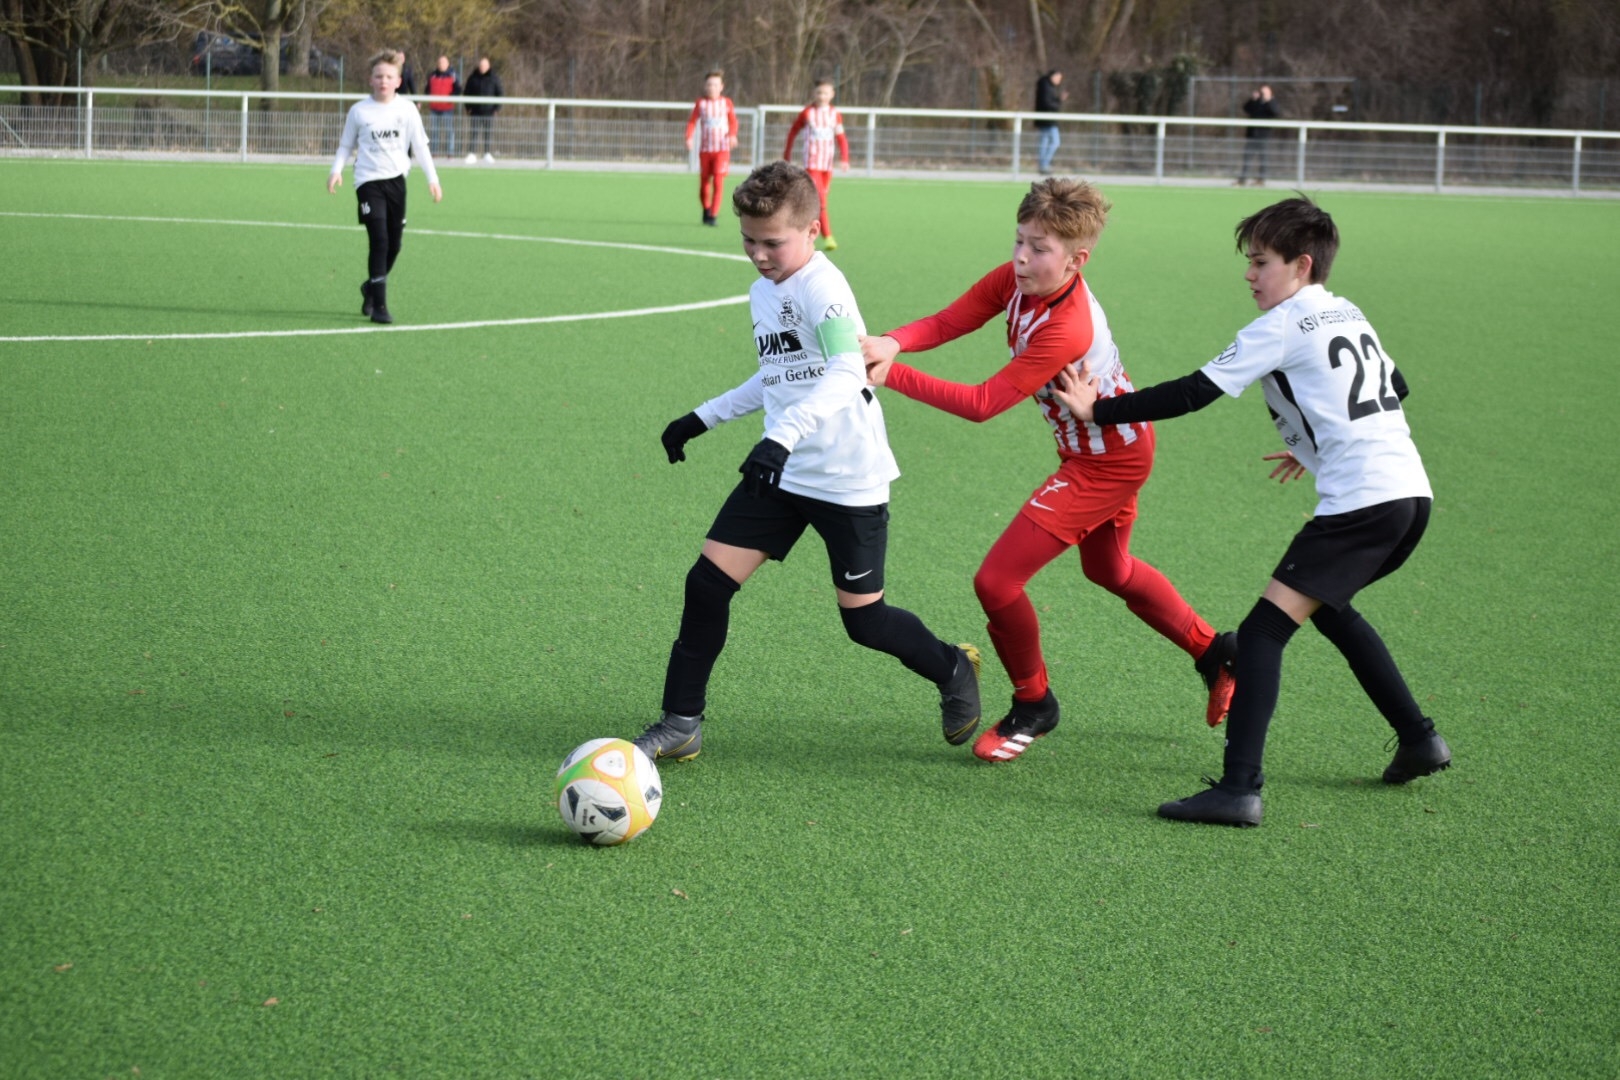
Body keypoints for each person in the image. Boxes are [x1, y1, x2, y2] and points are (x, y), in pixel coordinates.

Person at [1050, 195, 1448, 827]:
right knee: (1331, 610)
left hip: (1362, 504)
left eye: (1261, 262)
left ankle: (1239, 789)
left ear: (1302, 264)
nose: (1249, 274)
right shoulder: (1347, 311)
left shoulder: (1282, 325)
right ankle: (1419, 739)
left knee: (1262, 633)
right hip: (1409, 496)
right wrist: (1315, 442)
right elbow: (1391, 388)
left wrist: (1098, 410)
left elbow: (1192, 393)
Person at [861, 178, 1237, 765]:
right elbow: (952, 319)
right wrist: (893, 341)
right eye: (1019, 240)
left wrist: (891, 373)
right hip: (1103, 449)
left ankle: (1034, 703)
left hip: (1108, 461)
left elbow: (984, 403)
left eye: (1038, 248)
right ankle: (1217, 653)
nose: (1020, 257)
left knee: (996, 583)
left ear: (1076, 260)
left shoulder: (1068, 326)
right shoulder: (1018, 281)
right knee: (1110, 569)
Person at [633, 161, 982, 764]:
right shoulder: (763, 290)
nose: (758, 254)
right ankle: (681, 722)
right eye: (748, 240)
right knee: (706, 586)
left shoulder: (825, 288)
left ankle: (952, 666)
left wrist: (782, 437)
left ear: (812, 231)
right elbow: (778, 375)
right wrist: (703, 417)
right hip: (784, 471)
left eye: (772, 242)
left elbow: (847, 371)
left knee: (865, 622)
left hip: (847, 478)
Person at [327, 49, 442, 325]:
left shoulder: (407, 110)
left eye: (389, 76)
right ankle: (379, 306)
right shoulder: (359, 111)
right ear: (371, 79)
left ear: (398, 81)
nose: (383, 81)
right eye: (378, 76)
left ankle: (370, 287)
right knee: (379, 239)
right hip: (367, 182)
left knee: (394, 245)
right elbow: (346, 145)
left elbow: (420, 147)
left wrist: (433, 179)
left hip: (396, 181)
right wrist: (336, 170)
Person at [782, 80, 850, 252]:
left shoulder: (835, 114)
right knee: (820, 200)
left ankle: (797, 229)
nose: (822, 96)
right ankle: (828, 236)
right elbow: (793, 132)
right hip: (811, 164)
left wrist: (845, 158)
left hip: (827, 165)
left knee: (816, 200)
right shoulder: (807, 113)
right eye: (819, 92)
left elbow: (841, 138)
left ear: (832, 94)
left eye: (825, 93)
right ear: (814, 93)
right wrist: (787, 153)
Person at [684, 70, 738, 226]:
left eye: (715, 85)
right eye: (709, 85)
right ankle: (706, 209)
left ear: (721, 87)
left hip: (722, 150)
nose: (711, 88)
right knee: (704, 185)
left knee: (718, 182)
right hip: (705, 150)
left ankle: (713, 215)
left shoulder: (726, 103)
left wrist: (732, 135)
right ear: (705, 86)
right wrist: (688, 137)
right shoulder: (701, 103)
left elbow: (733, 122)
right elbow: (692, 121)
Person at [462, 56, 503, 163]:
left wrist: (497, 108)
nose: (482, 67)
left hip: (489, 111)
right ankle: (472, 153)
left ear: (488, 66)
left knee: (488, 133)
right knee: (474, 133)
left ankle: (487, 153)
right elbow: (466, 92)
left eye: (484, 65)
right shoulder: (473, 77)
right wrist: (468, 107)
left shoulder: (494, 78)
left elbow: (500, 93)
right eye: (481, 65)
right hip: (475, 111)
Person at [1236, 84, 1277, 186]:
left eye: (1265, 92)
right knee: (1247, 158)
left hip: (1264, 135)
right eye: (1262, 92)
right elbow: (1246, 108)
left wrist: (1269, 101)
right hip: (1252, 135)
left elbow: (1275, 112)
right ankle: (1243, 179)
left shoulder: (1272, 102)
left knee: (1263, 159)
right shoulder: (1256, 102)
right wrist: (1252, 99)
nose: (1263, 94)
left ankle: (1261, 180)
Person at [425, 55, 461, 157]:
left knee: (449, 131)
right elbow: (427, 89)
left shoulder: (453, 75)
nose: (441, 65)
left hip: (447, 108)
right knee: (434, 131)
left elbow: (458, 89)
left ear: (448, 64)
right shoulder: (432, 75)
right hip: (434, 108)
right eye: (440, 63)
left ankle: (450, 152)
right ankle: (434, 152)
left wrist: (451, 97)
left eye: (443, 63)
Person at [1034, 70, 1067, 174]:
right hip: (1048, 120)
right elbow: (1047, 104)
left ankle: (1043, 165)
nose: (1059, 80)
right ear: (1053, 76)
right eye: (1059, 78)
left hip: (1046, 119)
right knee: (1055, 142)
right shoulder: (1046, 87)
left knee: (1044, 142)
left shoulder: (1046, 86)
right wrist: (1059, 101)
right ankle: (1044, 164)